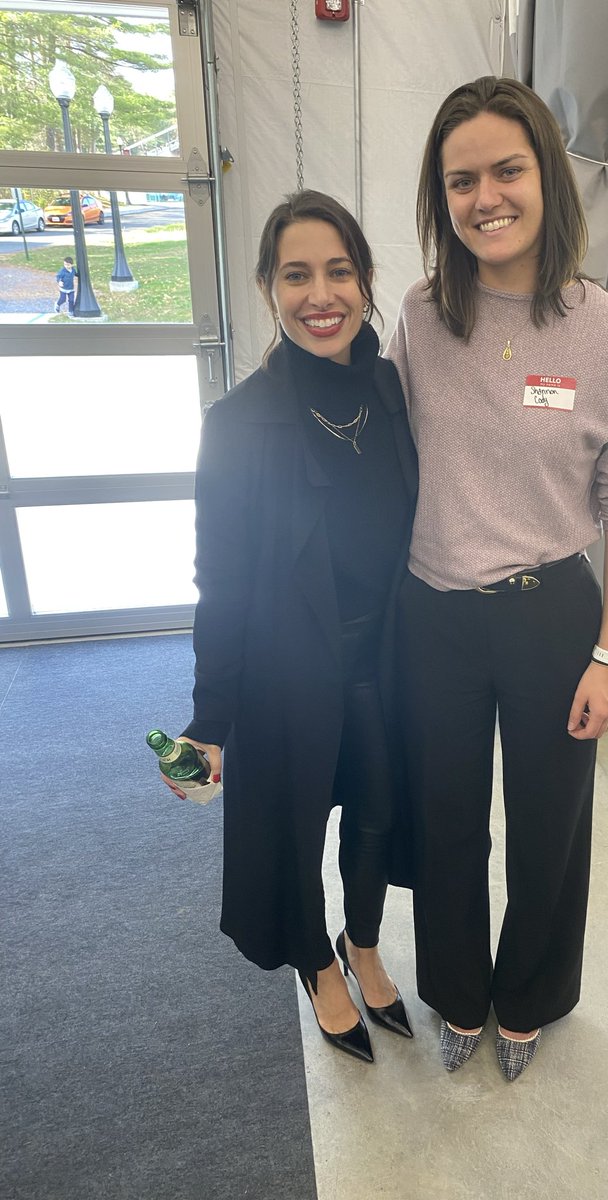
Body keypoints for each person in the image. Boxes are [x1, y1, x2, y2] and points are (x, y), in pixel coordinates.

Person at [387, 76, 608, 1080]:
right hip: (435, 616)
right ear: (441, 196)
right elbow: (386, 463)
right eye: (461, 179)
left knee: (551, 822)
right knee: (447, 818)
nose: (485, 197)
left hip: (555, 617)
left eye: (507, 169)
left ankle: (532, 996)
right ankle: (459, 994)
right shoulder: (421, 319)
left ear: (548, 176)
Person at [160, 190, 418, 1064]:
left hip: (381, 656)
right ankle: (316, 961)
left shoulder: (387, 390)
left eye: (338, 272)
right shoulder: (237, 426)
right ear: (269, 288)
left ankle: (366, 941)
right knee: (297, 824)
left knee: (380, 810)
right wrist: (209, 719)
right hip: (284, 666)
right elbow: (219, 581)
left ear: (366, 280)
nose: (321, 295)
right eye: (296, 275)